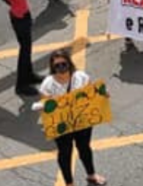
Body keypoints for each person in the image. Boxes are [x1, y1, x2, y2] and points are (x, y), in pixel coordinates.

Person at [40, 49, 107, 186]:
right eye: (57, 65)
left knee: (84, 148)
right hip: (62, 125)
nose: (61, 68)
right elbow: (45, 105)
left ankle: (91, 175)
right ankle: (69, 183)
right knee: (65, 153)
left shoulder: (81, 77)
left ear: (69, 63)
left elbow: (91, 94)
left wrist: (103, 94)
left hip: (82, 122)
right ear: (53, 67)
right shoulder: (48, 84)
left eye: (63, 64)